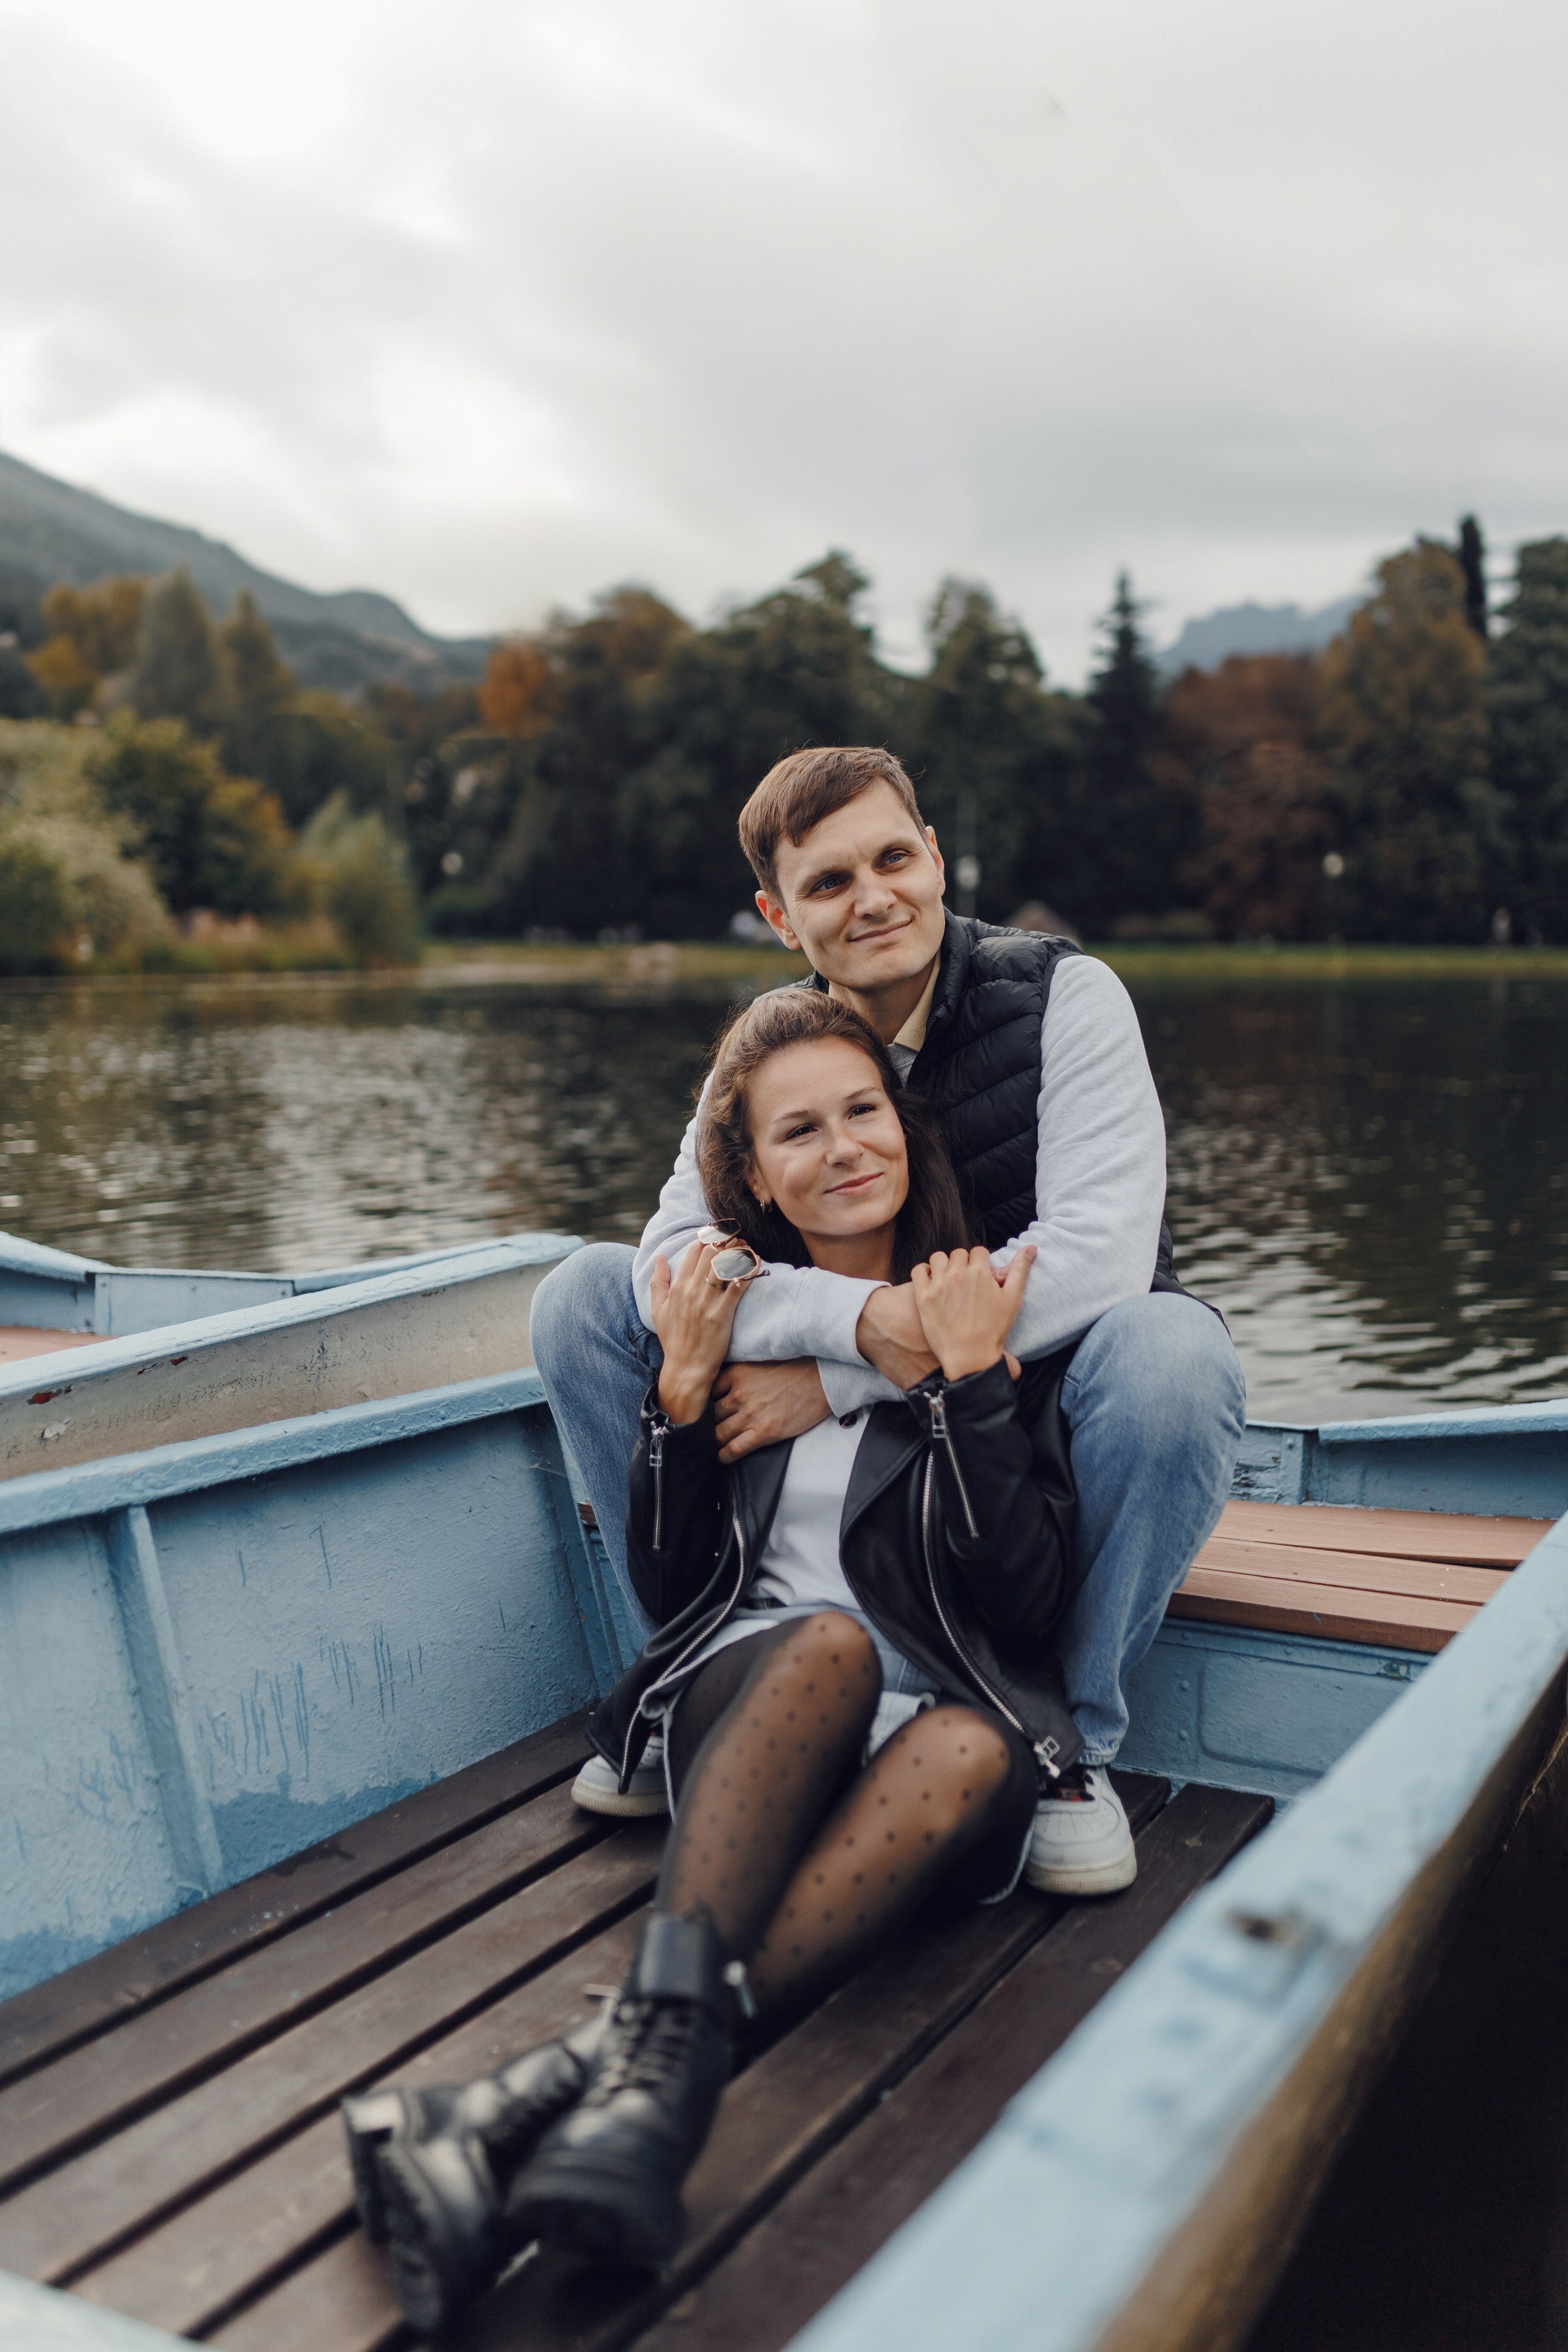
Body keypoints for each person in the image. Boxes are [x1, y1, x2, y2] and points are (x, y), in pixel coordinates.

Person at [348, 990, 1084, 2328]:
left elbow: (1025, 1608)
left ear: (904, 1128)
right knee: (822, 1649)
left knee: (980, 1737)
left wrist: (972, 1385)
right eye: (797, 1130)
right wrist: (678, 1405)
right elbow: (677, 1578)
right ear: (748, 1173)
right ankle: (602, 2112)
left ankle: (551, 2102)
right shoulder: (726, 1317)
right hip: (758, 1700)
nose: (843, 1146)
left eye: (863, 1110)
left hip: (928, 1743)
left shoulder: (976, 1309)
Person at [534, 744, 1246, 1894]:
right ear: (779, 915)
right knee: (579, 1298)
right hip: (834, 1427)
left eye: (892, 858)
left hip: (1032, 1406)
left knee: (1176, 1355)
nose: (873, 898)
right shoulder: (773, 1045)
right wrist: (856, 1323)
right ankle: (681, 1677)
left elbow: (1103, 1260)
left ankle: (1071, 1747)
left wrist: (844, 1374)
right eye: (827, 883)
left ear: (936, 859)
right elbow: (672, 1258)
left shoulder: (1069, 996)